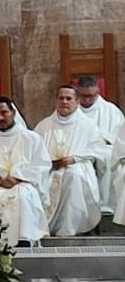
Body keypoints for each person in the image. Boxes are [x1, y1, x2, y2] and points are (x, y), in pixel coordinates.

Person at [0, 97, 48, 247]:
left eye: (4, 113)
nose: (0, 118)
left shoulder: (31, 138)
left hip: (21, 183)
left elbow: (41, 165)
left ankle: (23, 241)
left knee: (24, 197)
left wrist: (17, 178)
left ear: (13, 112)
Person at [34, 86, 106, 237]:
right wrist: (50, 162)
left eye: (69, 98)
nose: (64, 102)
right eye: (61, 98)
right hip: (50, 169)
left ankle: (69, 227)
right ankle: (46, 226)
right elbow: (33, 151)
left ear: (77, 101)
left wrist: (74, 158)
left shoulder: (88, 125)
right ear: (56, 101)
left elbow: (98, 149)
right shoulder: (44, 125)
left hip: (77, 166)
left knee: (72, 176)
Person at [76, 75, 125, 210]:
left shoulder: (111, 110)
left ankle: (105, 205)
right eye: (82, 95)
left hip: (103, 149)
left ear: (97, 92)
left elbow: (119, 139)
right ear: (77, 92)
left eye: (91, 96)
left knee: (109, 156)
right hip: (78, 151)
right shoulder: (70, 110)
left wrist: (104, 138)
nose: (86, 99)